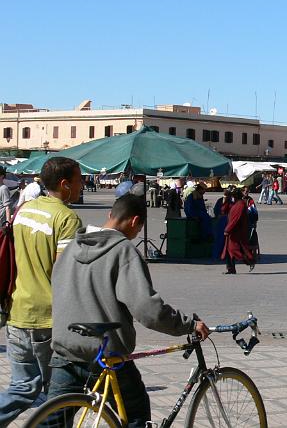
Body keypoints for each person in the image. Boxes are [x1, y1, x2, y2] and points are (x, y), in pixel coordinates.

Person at [46, 194, 210, 427]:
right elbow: (148, 310)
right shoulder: (124, 251)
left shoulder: (72, 246)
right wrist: (188, 325)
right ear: (135, 222)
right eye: (138, 228)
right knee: (136, 415)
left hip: (65, 350)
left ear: (110, 214)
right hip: (106, 355)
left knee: (50, 422)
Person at [0, 157, 83, 426]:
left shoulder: (24, 210)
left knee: (23, 387)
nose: (82, 185)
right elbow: (64, 273)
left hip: (17, 311)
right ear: (64, 184)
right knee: (60, 395)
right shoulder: (67, 218)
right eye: (79, 180)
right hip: (47, 319)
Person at [222, 189, 255, 274]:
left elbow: (235, 219)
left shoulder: (240, 205)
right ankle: (230, 269)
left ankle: (249, 260)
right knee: (229, 250)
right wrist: (226, 200)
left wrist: (227, 229)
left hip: (237, 232)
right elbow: (223, 211)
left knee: (234, 249)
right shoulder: (234, 204)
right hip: (233, 231)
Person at [243, 186, 260, 262]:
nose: (246, 193)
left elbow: (254, 211)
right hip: (241, 222)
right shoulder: (239, 199)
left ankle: (249, 254)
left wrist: (255, 222)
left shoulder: (250, 200)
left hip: (249, 222)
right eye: (245, 191)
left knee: (250, 237)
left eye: (247, 191)